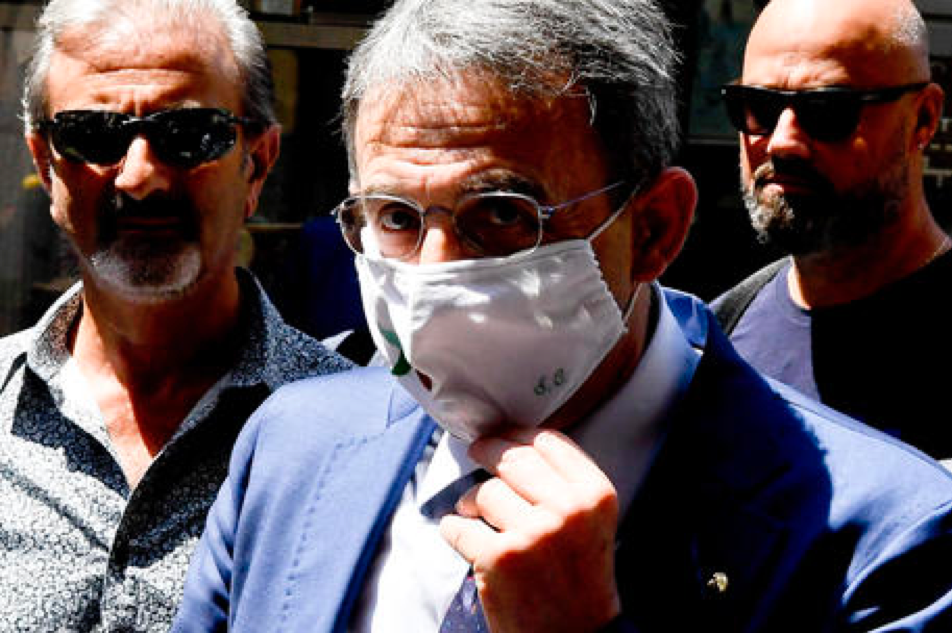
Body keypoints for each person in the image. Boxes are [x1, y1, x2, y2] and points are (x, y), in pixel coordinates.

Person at [173, 0, 952, 630]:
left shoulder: (888, 539)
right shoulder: (289, 448)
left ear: (653, 230)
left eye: (502, 214)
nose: (435, 273)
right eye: (397, 217)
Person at [0, 0, 351, 630]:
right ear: (45, 167)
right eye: (93, 135)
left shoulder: (359, 440)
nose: (141, 178)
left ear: (257, 164)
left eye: (189, 136)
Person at [711, 0, 951, 458]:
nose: (783, 143)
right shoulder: (717, 338)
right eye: (758, 107)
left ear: (923, 119)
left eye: (828, 110)